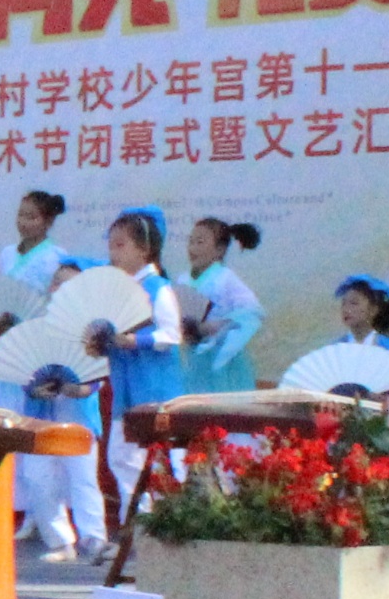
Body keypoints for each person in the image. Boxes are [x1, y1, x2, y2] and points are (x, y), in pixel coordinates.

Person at [87, 209, 189, 538]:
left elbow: (171, 335)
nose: (113, 253)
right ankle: (139, 531)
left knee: (156, 463)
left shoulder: (158, 288)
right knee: (121, 458)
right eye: (111, 245)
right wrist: (101, 345)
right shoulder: (117, 291)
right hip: (125, 390)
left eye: (120, 245)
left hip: (154, 389)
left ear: (144, 250)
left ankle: (158, 530)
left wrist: (136, 340)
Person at [0, 190, 85, 559]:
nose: (24, 222)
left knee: (38, 429)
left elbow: (56, 306)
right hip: (9, 347)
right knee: (10, 426)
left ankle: (43, 512)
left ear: (47, 221)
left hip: (38, 346)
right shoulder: (6, 254)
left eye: (32, 216)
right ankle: (24, 508)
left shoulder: (56, 258)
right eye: (21, 214)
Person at [181, 219, 267, 395]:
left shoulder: (226, 279)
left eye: (200, 242)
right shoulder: (183, 280)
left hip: (222, 360)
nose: (192, 248)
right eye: (190, 241)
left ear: (220, 249)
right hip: (195, 359)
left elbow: (253, 311)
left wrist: (217, 325)